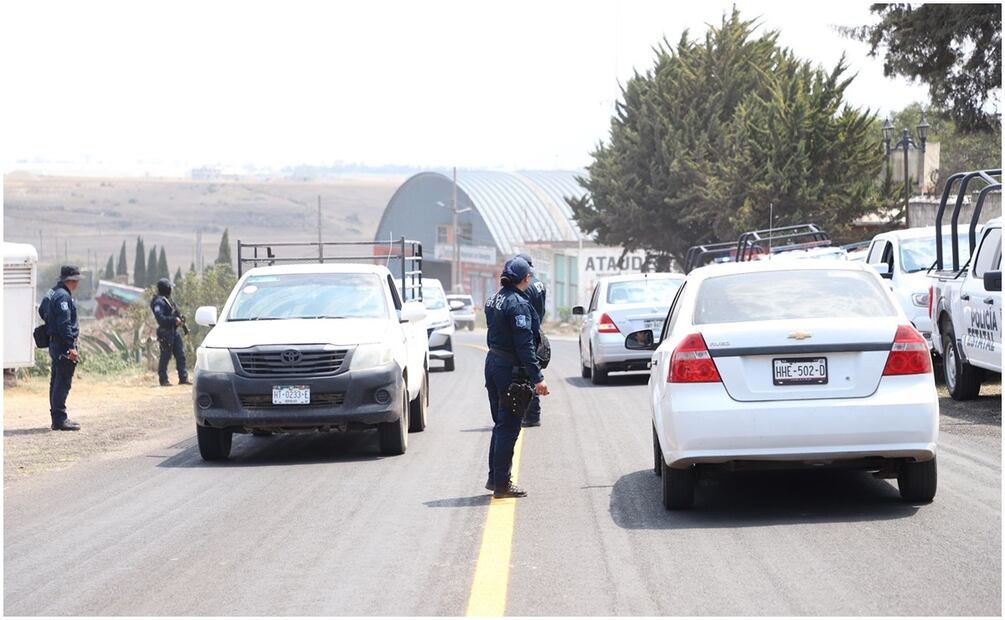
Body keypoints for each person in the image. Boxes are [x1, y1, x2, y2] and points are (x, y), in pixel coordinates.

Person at [483, 256, 550, 498]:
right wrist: (538, 378)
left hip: (493, 362)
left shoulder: (494, 299)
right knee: (509, 427)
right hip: (509, 369)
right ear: (526, 278)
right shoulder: (519, 305)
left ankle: (495, 478)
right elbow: (525, 346)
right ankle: (502, 484)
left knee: (500, 425)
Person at [40, 266, 82, 431]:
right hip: (63, 344)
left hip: (54, 342)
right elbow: (65, 324)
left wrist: (51, 323)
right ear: (72, 280)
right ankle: (59, 419)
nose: (78, 283)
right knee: (62, 382)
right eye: (77, 280)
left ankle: (57, 418)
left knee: (56, 381)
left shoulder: (52, 292)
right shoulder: (64, 296)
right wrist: (71, 346)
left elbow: (42, 310)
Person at [515, 253, 547, 427]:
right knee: (531, 370)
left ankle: (533, 415)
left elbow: (522, 311)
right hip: (536, 329)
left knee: (527, 374)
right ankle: (531, 414)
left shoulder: (526, 287)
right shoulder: (539, 283)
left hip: (527, 332)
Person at [151, 278, 190, 386]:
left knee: (180, 355)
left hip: (173, 332)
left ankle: (183, 378)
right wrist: (173, 320)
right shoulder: (158, 302)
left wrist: (180, 318)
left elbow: (176, 313)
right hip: (165, 332)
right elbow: (160, 319)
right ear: (166, 288)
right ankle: (163, 380)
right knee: (165, 356)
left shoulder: (168, 300)